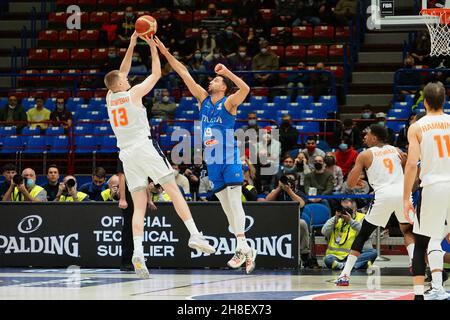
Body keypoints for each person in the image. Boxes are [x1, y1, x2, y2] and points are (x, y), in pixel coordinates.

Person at [104, 33, 215, 279]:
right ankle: (194, 234)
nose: (127, 77)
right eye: (125, 78)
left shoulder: (110, 97)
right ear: (121, 84)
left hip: (126, 154)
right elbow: (156, 75)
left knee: (138, 206)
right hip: (143, 147)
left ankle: (139, 253)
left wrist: (133, 43)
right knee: (173, 189)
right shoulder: (132, 94)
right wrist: (153, 49)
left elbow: (120, 70)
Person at [155, 36, 257, 273]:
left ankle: (241, 246)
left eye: (216, 79)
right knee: (226, 208)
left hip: (229, 156)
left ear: (223, 87)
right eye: (213, 78)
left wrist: (227, 71)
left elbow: (246, 88)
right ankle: (246, 249)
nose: (212, 80)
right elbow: (183, 73)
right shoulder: (203, 99)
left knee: (234, 201)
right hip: (212, 161)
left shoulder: (230, 102)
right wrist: (165, 52)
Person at [335, 124, 415, 286]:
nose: (364, 137)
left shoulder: (364, 155)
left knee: (363, 234)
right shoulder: (398, 151)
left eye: (367, 134)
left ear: (375, 137)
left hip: (384, 195)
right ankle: (416, 264)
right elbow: (409, 173)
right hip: (403, 193)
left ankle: (344, 275)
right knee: (407, 230)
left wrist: (356, 168)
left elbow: (350, 184)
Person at [403, 82, 450, 300]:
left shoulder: (418, 126)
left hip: (434, 187)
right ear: (444, 100)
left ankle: (420, 295)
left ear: (424, 101)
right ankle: (438, 289)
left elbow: (412, 164)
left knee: (422, 242)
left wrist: (406, 198)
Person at [322, 198, 377, 270]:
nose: (345, 204)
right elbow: (324, 231)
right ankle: (357, 265)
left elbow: (367, 232)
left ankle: (343, 266)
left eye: (348, 202)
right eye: (343, 202)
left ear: (355, 208)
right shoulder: (336, 219)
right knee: (328, 259)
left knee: (373, 253)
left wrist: (350, 221)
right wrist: (335, 218)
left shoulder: (362, 217)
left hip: (355, 254)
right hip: (336, 256)